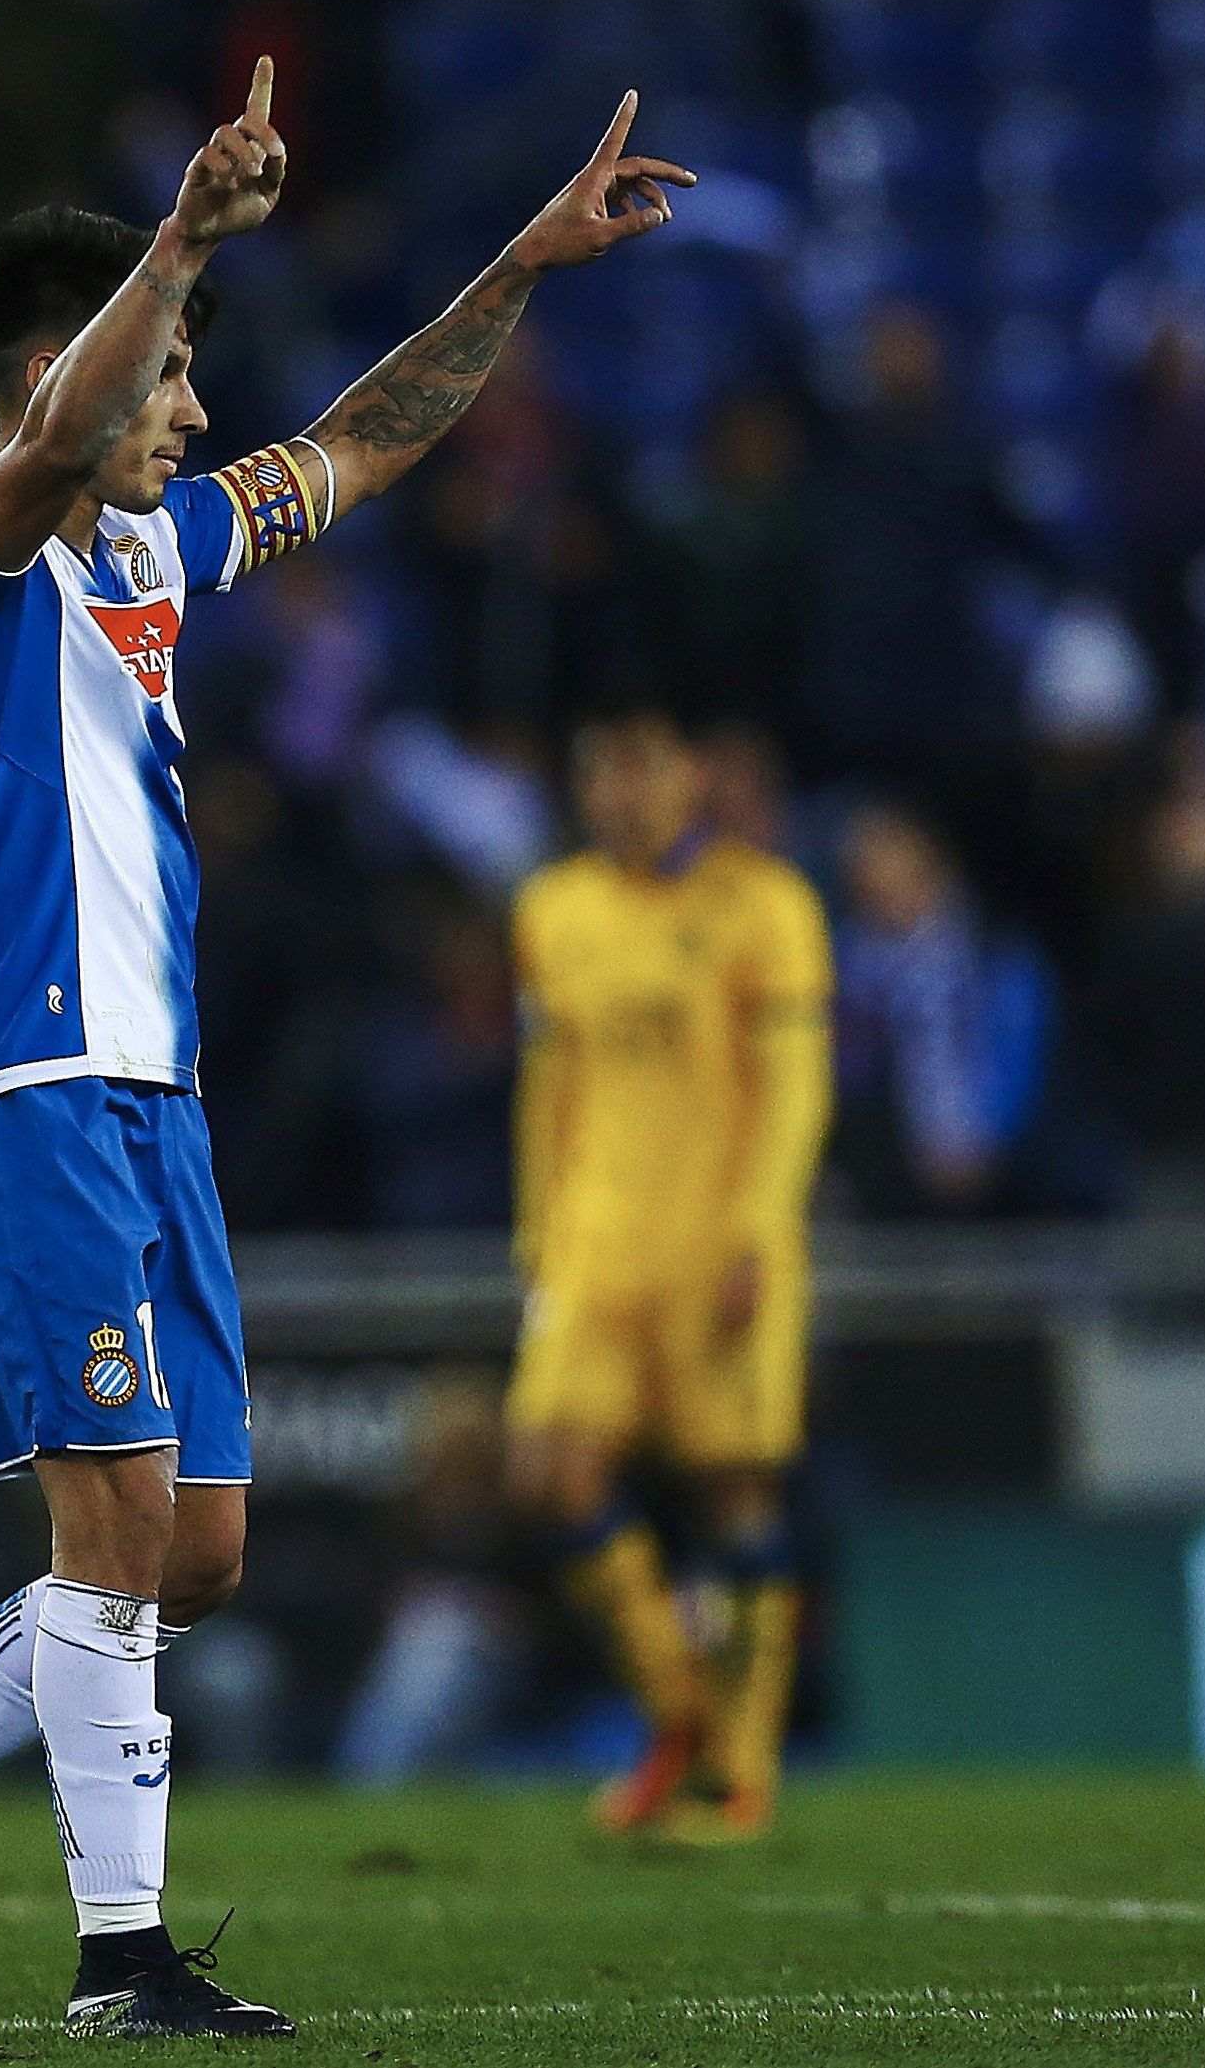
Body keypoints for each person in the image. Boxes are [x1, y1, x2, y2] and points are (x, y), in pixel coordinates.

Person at [0, 59, 693, 2038]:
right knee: (109, 1529)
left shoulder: (162, 553)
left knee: (204, 1550)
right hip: (22, 1079)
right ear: (65, 375)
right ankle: (123, 1960)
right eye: (170, 375)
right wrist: (172, 244)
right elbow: (55, 441)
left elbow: (361, 439)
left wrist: (521, 261)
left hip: (154, 1097)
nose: (192, 410)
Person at [508, 699, 832, 1846]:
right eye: (602, 769)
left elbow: (793, 1093)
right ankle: (683, 1716)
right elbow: (551, 1085)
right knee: (552, 1469)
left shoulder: (766, 907)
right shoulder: (554, 909)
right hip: (597, 1243)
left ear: (692, 771)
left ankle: (737, 1774)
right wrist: (539, 1233)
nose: (620, 791)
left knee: (732, 1485)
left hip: (717, 1240)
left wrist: (758, 1230)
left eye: (643, 765)